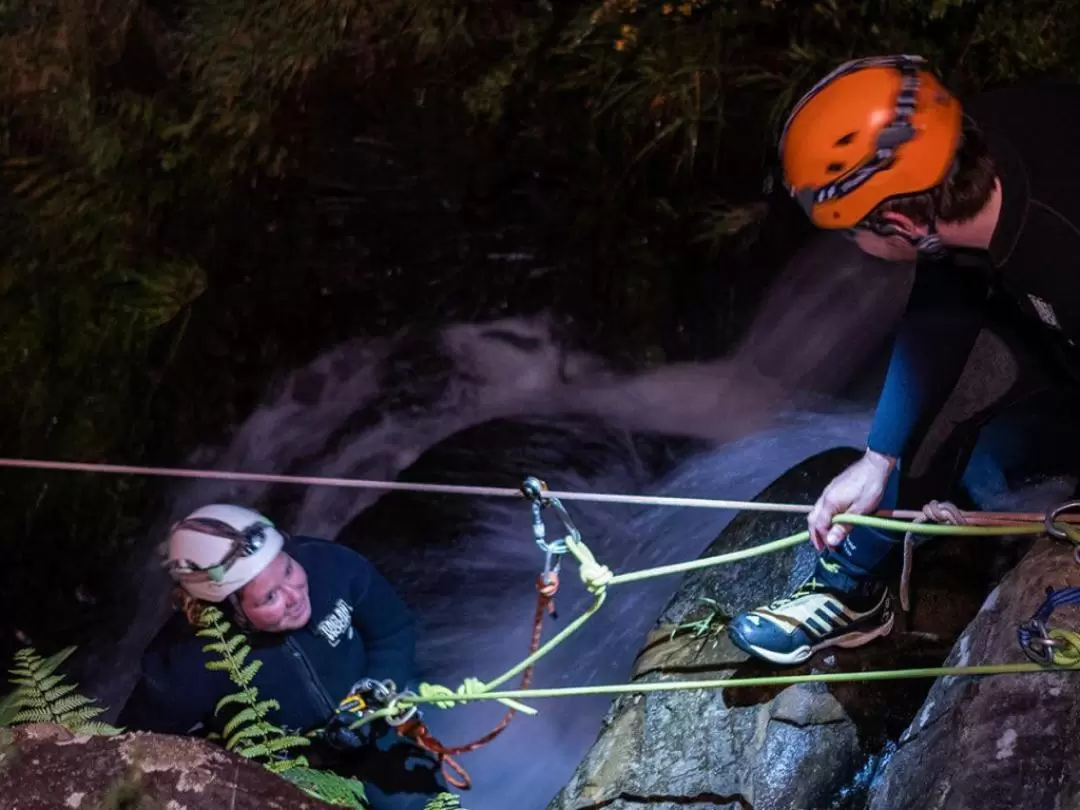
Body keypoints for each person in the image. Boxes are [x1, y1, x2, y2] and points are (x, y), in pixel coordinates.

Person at [727, 54, 1080, 665]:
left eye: (848, 233)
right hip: (1033, 298)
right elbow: (943, 302)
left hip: (1060, 291)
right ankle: (852, 592)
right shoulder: (958, 154)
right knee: (941, 406)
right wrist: (878, 454)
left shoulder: (1059, 241)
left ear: (895, 220)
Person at [117, 503, 454, 809]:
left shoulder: (333, 567)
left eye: (289, 570)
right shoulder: (189, 658)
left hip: (379, 733)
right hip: (291, 775)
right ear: (231, 610)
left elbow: (392, 631)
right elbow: (133, 743)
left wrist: (372, 693)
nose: (294, 595)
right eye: (270, 597)